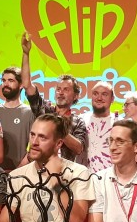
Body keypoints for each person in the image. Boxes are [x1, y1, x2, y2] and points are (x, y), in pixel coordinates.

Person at [21, 32, 88, 162]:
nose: (60, 92)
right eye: (58, 89)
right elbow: (27, 85)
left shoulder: (78, 121)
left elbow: (79, 148)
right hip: (39, 167)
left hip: (63, 171)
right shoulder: (45, 110)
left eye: (66, 89)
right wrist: (25, 54)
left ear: (75, 96)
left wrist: (58, 127)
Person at [0, 65, 36, 171]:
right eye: (3, 80)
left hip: (20, 172)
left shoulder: (29, 112)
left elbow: (34, 145)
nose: (6, 84)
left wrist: (18, 170)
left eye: (11, 80)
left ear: (21, 85)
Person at [77, 81, 116, 172]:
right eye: (95, 94)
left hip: (111, 177)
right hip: (83, 177)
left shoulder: (120, 123)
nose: (99, 98)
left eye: (104, 94)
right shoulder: (80, 120)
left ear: (112, 99)